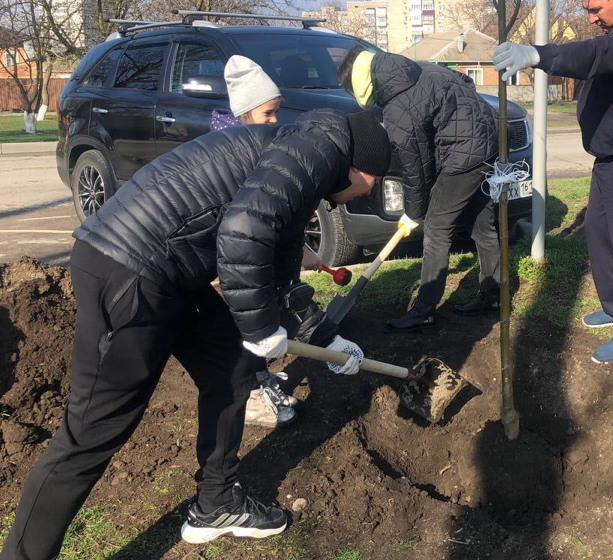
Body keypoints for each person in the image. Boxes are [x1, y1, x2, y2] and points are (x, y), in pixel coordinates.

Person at [0, 108, 393, 556]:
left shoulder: (306, 150)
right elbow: (245, 230)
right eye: (374, 182)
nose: (369, 191)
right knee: (89, 434)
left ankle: (216, 501)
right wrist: (262, 328)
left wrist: (325, 338)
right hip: (128, 269)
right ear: (361, 166)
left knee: (232, 363)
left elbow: (280, 260)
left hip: (167, 272)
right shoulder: (318, 151)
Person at [493, 0, 613, 364]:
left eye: (595, 9)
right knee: (598, 229)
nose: (591, 18)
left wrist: (537, 55)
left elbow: (596, 55)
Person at [338, 46, 500, 332]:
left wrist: (413, 211)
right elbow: (466, 83)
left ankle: (424, 310)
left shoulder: (397, 105)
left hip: (462, 154)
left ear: (360, 85)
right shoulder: (418, 67)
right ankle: (494, 295)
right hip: (488, 137)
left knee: (437, 229)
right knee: (481, 225)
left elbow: (416, 166)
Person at [213, 54, 296, 430]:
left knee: (260, 316)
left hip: (246, 253)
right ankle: (249, 394)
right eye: (268, 114)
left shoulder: (251, 145)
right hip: (228, 256)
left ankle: (260, 378)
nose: (275, 121)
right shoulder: (232, 152)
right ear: (245, 113)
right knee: (242, 325)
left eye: (277, 112)